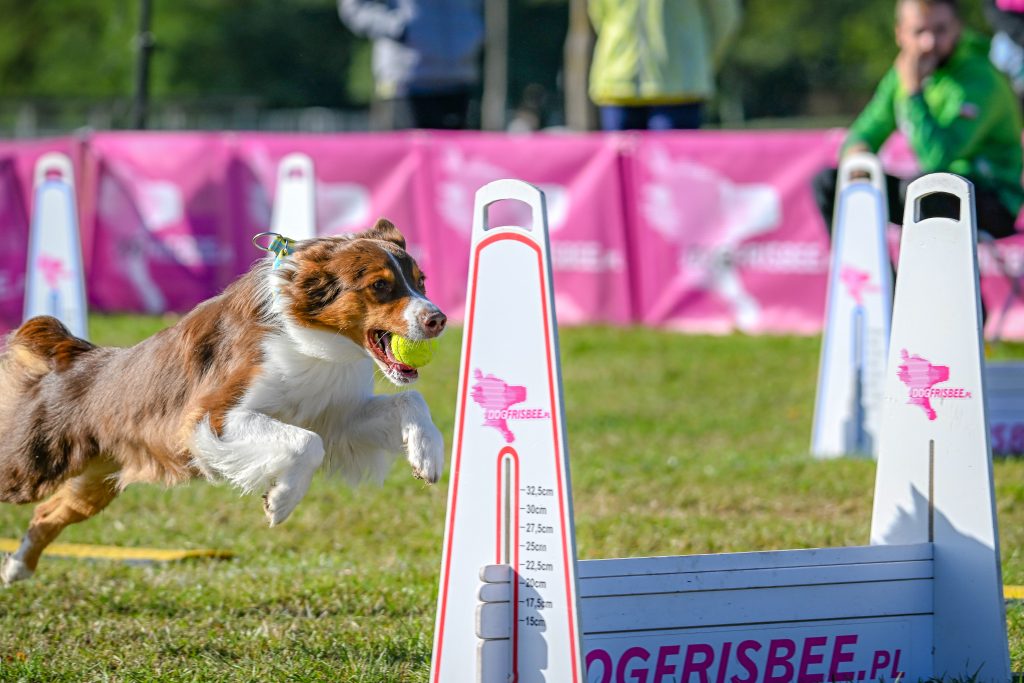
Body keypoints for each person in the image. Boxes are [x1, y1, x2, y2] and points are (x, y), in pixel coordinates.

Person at [813, 0, 1024, 240]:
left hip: (992, 199)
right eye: (919, 31)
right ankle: (874, 277)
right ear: (900, 34)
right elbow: (866, 131)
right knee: (833, 183)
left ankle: (936, 279)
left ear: (958, 28)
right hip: (929, 189)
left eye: (940, 30)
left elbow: (938, 159)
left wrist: (914, 94)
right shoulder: (902, 73)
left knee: (925, 191)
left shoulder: (980, 77)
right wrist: (858, 157)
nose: (929, 42)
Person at [587, 0, 741, 131]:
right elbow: (600, 15)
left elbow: (725, 17)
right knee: (622, 166)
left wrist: (699, 63)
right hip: (618, 87)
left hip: (680, 92)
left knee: (668, 166)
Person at [338, 0, 484, 130]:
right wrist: (399, 28)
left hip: (460, 79)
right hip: (405, 83)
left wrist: (475, 31)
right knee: (407, 157)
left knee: (456, 158)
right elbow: (354, 6)